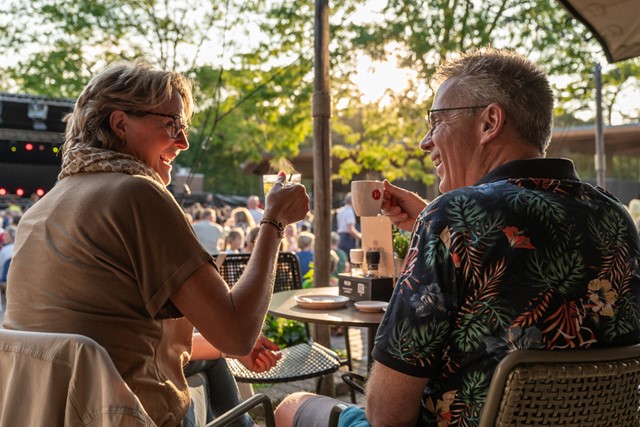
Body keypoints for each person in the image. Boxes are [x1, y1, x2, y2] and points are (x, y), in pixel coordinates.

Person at [274, 48, 640, 427]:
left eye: (436, 121)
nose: (425, 141)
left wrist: (442, 222)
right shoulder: (614, 216)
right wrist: (435, 224)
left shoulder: (452, 217)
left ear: (489, 122)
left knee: (291, 405)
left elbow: (386, 414)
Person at [3, 59, 310, 427]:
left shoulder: (41, 209)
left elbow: (102, 344)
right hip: (128, 416)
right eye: (172, 124)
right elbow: (238, 333)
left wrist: (221, 345)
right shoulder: (137, 193)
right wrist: (273, 221)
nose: (184, 142)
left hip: (62, 414)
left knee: (213, 358)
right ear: (120, 125)